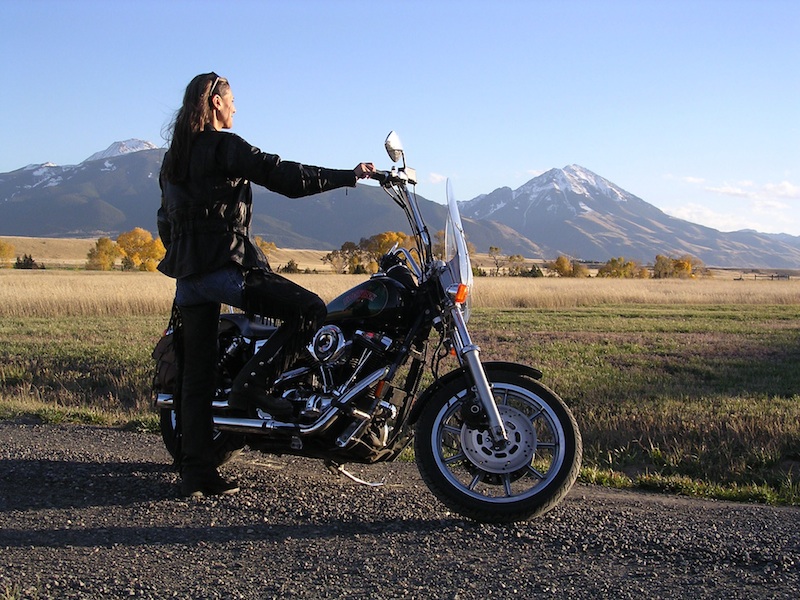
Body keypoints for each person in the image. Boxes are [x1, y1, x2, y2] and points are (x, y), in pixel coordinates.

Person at [157, 72, 375, 497]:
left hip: (188, 282)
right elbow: (286, 178)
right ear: (215, 103)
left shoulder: (174, 158)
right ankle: (254, 385)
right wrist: (348, 175)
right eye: (232, 100)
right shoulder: (225, 147)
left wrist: (186, 259)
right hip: (225, 269)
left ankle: (197, 472)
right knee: (310, 310)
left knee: (197, 378)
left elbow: (165, 220)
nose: (236, 107)